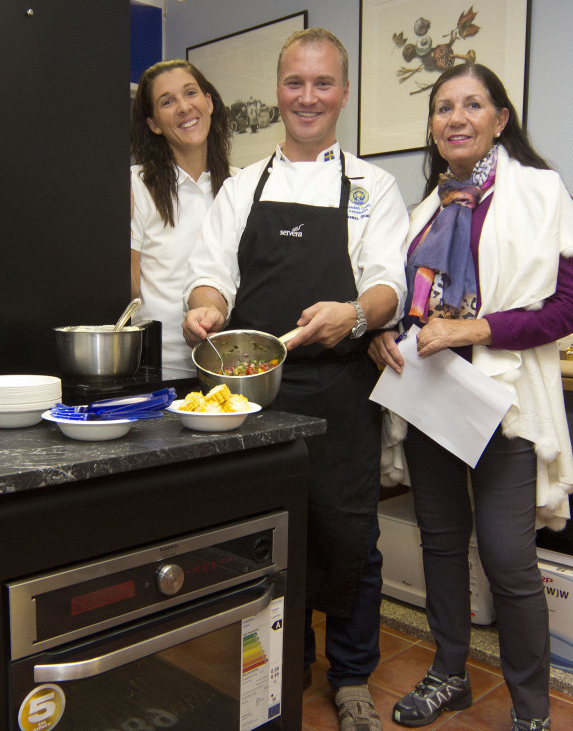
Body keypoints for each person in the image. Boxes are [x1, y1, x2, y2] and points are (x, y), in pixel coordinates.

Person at [182, 28, 409, 730]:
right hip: (254, 391)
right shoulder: (245, 185)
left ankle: (350, 675)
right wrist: (206, 305)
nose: (307, 97)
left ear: (342, 92)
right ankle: (277, 665)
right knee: (266, 532)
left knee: (348, 534)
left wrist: (356, 313)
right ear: (277, 91)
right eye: (294, 83)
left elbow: (387, 285)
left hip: (342, 388)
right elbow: (212, 272)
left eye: (322, 83)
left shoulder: (374, 185)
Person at [368, 63, 573, 730]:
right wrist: (389, 335)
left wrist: (476, 326)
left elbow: (564, 307)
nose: (456, 118)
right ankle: (449, 673)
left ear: (499, 118)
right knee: (441, 542)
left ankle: (533, 711)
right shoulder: (424, 207)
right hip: (432, 397)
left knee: (510, 560)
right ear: (432, 125)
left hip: (502, 403)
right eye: (443, 107)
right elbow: (412, 301)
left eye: (472, 105)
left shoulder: (541, 193)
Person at [130, 59, 234, 370]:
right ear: (154, 124)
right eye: (167, 101)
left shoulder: (240, 185)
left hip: (230, 365)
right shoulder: (136, 185)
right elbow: (129, 289)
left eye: (191, 93)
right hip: (159, 370)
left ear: (209, 102)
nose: (184, 107)